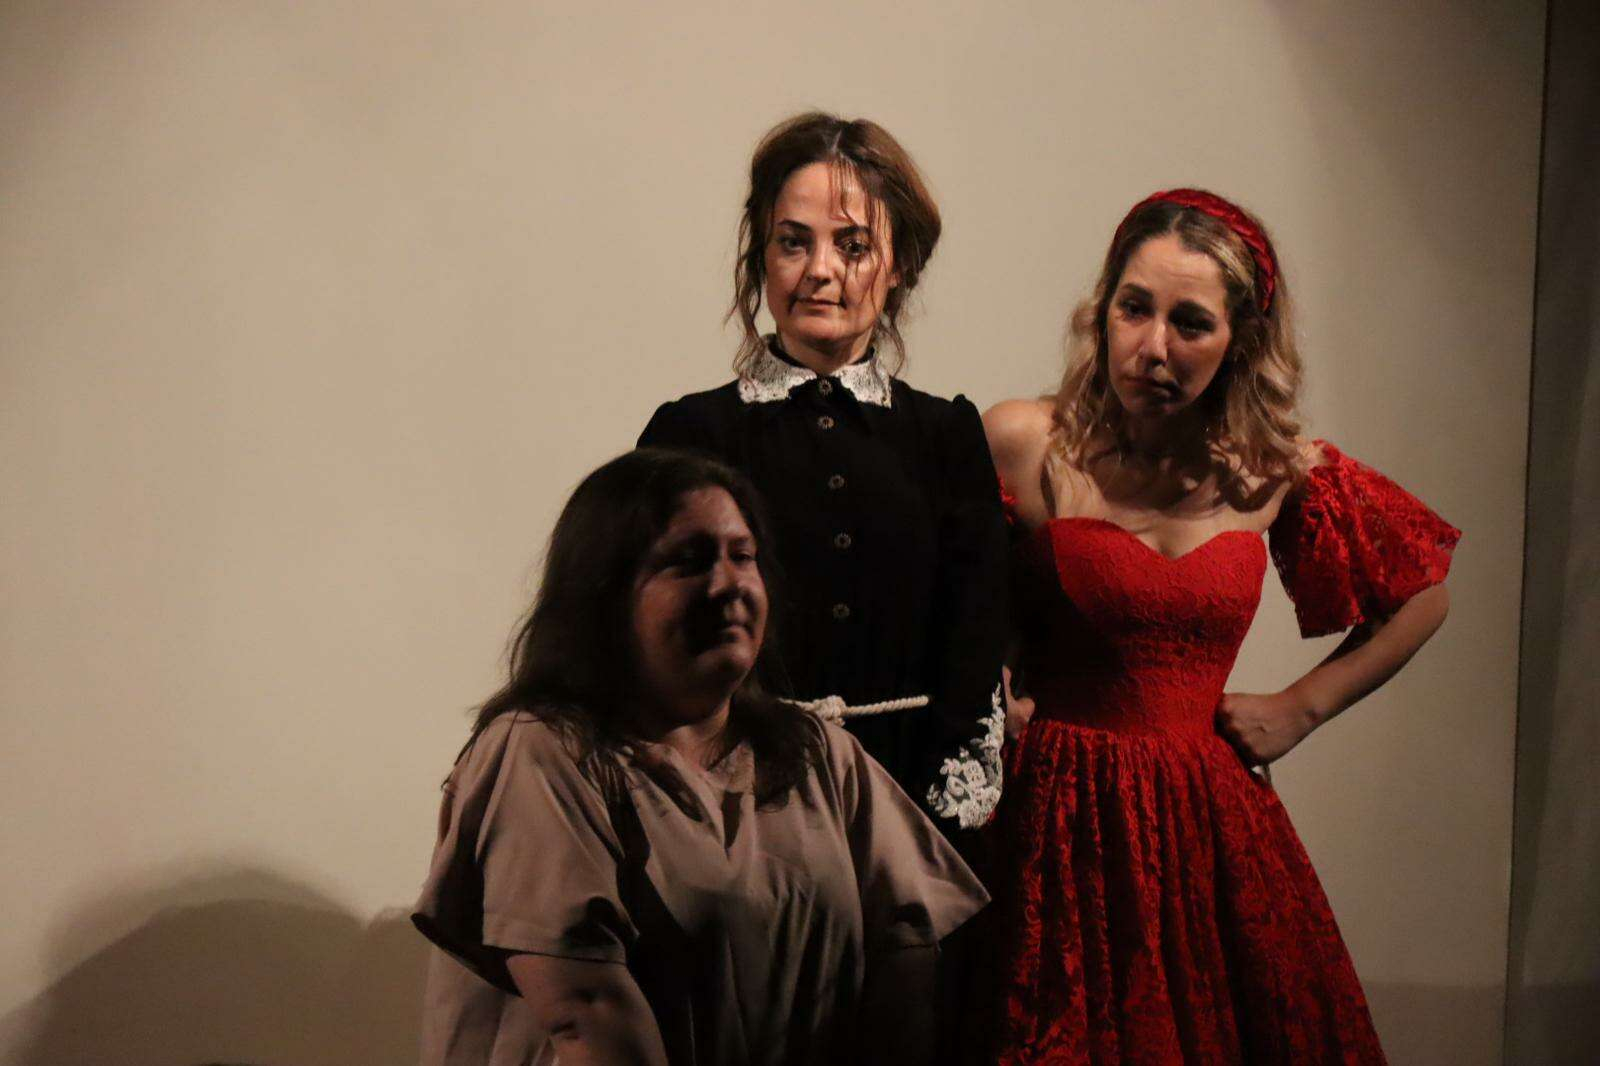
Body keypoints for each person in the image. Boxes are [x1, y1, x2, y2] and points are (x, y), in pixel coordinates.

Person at [982, 189, 1459, 1063]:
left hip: (1207, 830)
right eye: (1134, 308)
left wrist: (1301, 708)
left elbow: (1423, 591)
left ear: (1240, 341)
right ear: (1103, 310)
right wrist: (994, 689)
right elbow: (953, 601)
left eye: (1191, 323)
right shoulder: (1025, 441)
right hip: (1057, 816)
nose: (1153, 347)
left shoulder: (1270, 471)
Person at [411, 448, 989, 1066]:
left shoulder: (818, 753)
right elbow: (586, 1010)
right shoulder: (542, 751)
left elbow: (906, 950)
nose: (728, 584)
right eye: (687, 562)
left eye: (743, 556)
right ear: (605, 594)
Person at [638, 112, 1010, 843]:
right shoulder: (688, 434)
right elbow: (647, 637)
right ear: (761, 257)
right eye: (793, 242)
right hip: (729, 817)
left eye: (853, 246)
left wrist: (930, 833)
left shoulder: (945, 436)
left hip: (908, 806)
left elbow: (976, 639)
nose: (820, 270)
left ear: (898, 265)